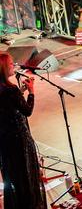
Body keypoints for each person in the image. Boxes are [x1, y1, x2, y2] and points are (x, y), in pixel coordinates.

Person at [0, 53, 46, 209]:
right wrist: (31, 92)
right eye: (11, 64)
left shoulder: (6, 89)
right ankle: (30, 204)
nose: (14, 66)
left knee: (13, 175)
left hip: (4, 140)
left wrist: (21, 90)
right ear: (4, 68)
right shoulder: (10, 90)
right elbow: (27, 111)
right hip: (19, 139)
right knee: (25, 174)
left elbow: (8, 104)